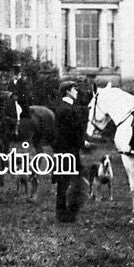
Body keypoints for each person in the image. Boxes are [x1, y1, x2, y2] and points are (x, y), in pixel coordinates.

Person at [51, 80, 86, 222]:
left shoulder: (64, 107)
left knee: (65, 181)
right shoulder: (67, 109)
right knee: (70, 182)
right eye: (74, 89)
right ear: (67, 91)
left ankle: (64, 213)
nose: (76, 92)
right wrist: (82, 142)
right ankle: (66, 214)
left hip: (65, 150)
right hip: (68, 151)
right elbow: (71, 132)